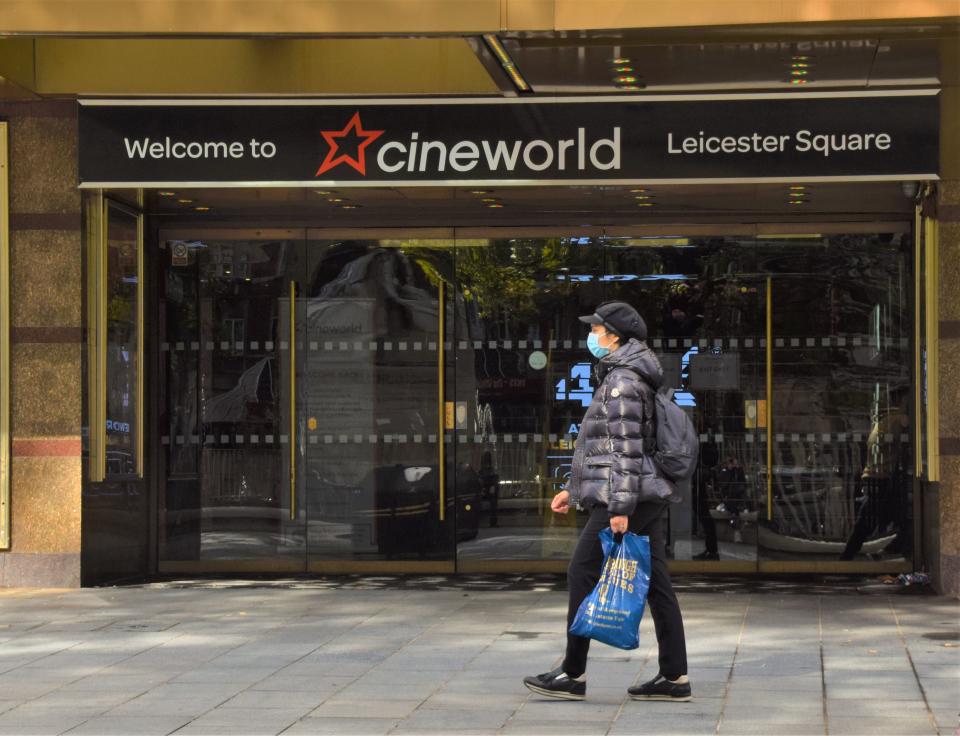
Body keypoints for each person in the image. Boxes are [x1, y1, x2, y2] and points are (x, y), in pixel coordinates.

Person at [523, 301, 691, 703]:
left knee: (581, 570)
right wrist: (576, 490)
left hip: (631, 496)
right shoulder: (625, 376)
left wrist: (619, 509)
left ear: (613, 334)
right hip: (641, 493)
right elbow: (607, 450)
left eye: (596, 329)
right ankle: (674, 676)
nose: (592, 335)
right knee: (657, 584)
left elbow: (626, 451)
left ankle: (572, 672)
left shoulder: (623, 382)